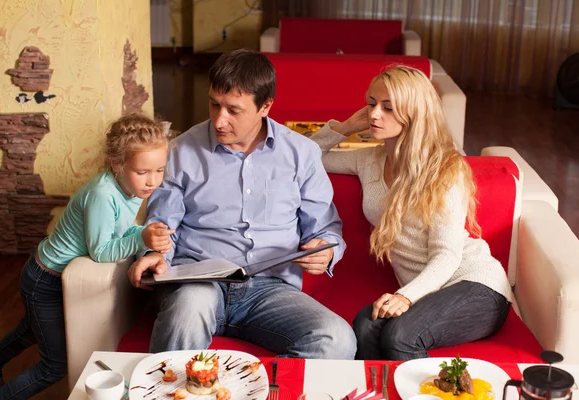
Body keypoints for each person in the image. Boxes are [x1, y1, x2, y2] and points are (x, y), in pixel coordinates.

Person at [127, 49, 356, 359]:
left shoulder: (301, 153)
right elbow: (163, 225)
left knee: (337, 338)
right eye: (214, 104)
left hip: (271, 289)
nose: (220, 120)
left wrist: (326, 251)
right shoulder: (180, 151)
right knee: (186, 313)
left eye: (233, 110)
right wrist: (153, 253)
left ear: (265, 106)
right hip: (199, 282)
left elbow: (326, 228)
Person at [309, 66, 513, 360]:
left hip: (476, 286)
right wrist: (346, 127)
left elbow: (448, 255)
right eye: (371, 104)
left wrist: (405, 296)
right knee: (365, 326)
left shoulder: (445, 169)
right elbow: (307, 158)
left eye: (388, 108)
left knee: (400, 336)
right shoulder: (370, 159)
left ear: (413, 113)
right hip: (427, 293)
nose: (375, 114)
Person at [0, 114, 173, 399]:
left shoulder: (129, 187)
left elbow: (116, 230)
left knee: (32, 331)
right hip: (43, 280)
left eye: (160, 170)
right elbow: (101, 251)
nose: (153, 181)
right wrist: (141, 237)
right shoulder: (103, 194)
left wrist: (144, 234)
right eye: (143, 172)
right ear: (117, 164)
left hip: (55, 278)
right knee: (54, 365)